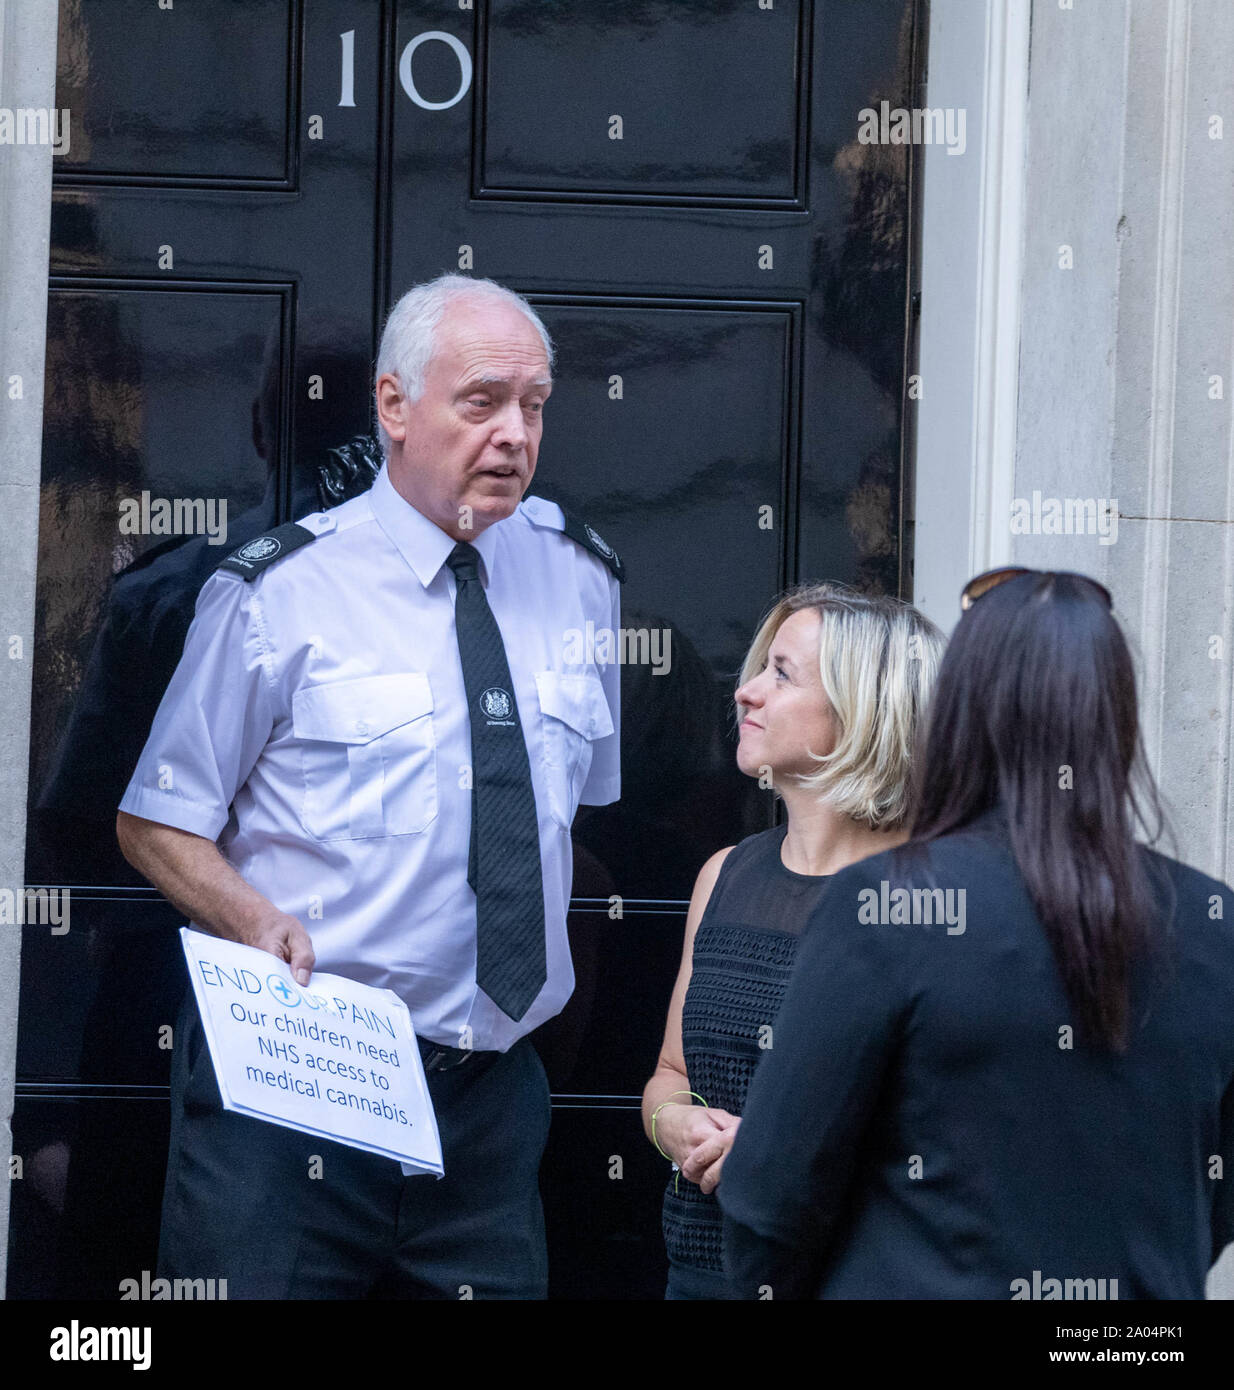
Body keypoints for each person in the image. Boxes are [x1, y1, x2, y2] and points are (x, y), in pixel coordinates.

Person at [115, 273, 624, 1299]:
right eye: (480, 401)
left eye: (533, 406)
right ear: (394, 406)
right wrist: (250, 916)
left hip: (487, 1109)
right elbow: (155, 820)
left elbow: (577, 823)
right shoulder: (279, 590)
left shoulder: (582, 576)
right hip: (298, 1088)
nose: (514, 434)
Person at [719, 567, 1234, 1299]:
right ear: (1114, 717)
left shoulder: (886, 905)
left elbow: (769, 1194)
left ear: (959, 713)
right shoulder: (1216, 925)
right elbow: (1213, 1200)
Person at [641, 583, 944, 1299]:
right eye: (758, 668)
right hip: (705, 1272)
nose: (745, 692)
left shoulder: (937, 900)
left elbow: (969, 1135)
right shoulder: (724, 875)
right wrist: (676, 1126)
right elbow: (669, 1072)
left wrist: (787, 1153)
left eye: (782, 674)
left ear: (865, 709)